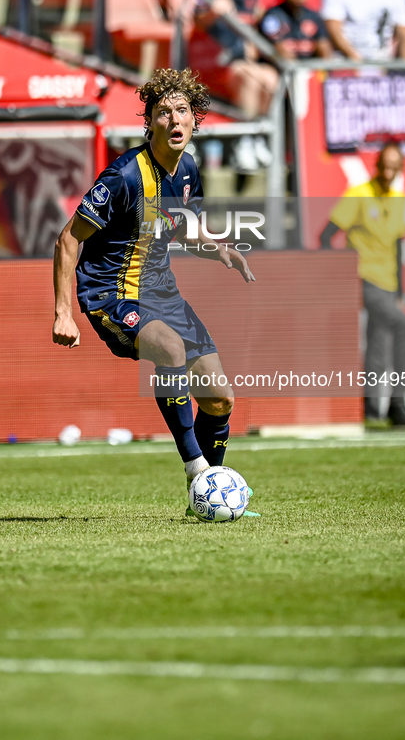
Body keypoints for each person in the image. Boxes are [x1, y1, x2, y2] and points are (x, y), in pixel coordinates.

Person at [52, 68, 258, 513]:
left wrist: (219, 249)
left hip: (163, 294)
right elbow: (68, 239)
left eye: (182, 110)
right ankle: (196, 469)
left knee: (220, 397)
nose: (175, 119)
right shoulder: (124, 177)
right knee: (167, 347)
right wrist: (63, 312)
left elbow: (182, 230)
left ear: (195, 120)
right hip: (111, 294)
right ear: (150, 123)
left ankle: (202, 496)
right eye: (164, 112)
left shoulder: (187, 172)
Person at [320, 142, 405, 426]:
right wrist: (340, 276)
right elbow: (327, 234)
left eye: (394, 166)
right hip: (364, 278)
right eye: (384, 165)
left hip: (388, 283)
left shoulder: (398, 198)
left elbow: (398, 246)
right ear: (377, 166)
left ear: (400, 168)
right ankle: (398, 404)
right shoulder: (359, 193)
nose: (389, 172)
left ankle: (371, 409)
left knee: (378, 345)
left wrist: (401, 289)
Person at [189, 0, 279, 117]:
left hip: (243, 60)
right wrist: (213, 12)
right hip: (213, 60)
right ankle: (246, 136)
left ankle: (263, 136)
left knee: (271, 78)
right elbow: (197, 22)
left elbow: (252, 24)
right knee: (249, 79)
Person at [259, 0, 332, 57]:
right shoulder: (273, 16)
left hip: (311, 67)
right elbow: (279, 50)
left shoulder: (313, 16)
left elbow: (323, 46)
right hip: (283, 69)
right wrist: (298, 70)